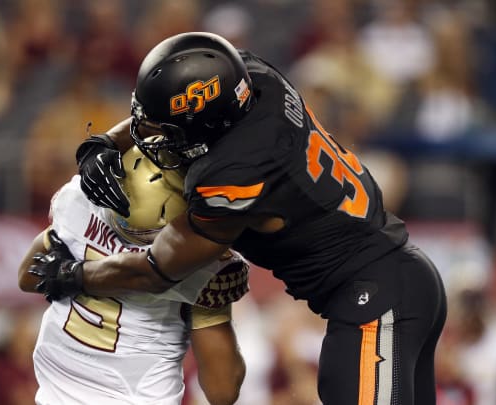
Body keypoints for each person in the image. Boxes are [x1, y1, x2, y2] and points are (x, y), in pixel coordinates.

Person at [31, 32, 447, 405]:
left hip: (377, 300)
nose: (146, 138)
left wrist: (75, 275)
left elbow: (158, 270)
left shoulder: (233, 173)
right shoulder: (250, 77)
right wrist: (103, 141)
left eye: (166, 131)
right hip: (395, 283)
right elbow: (170, 117)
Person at [18, 143, 249, 405]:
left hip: (56, 389)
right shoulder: (199, 264)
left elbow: (28, 275)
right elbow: (223, 390)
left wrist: (67, 273)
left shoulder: (80, 202)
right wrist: (210, 308)